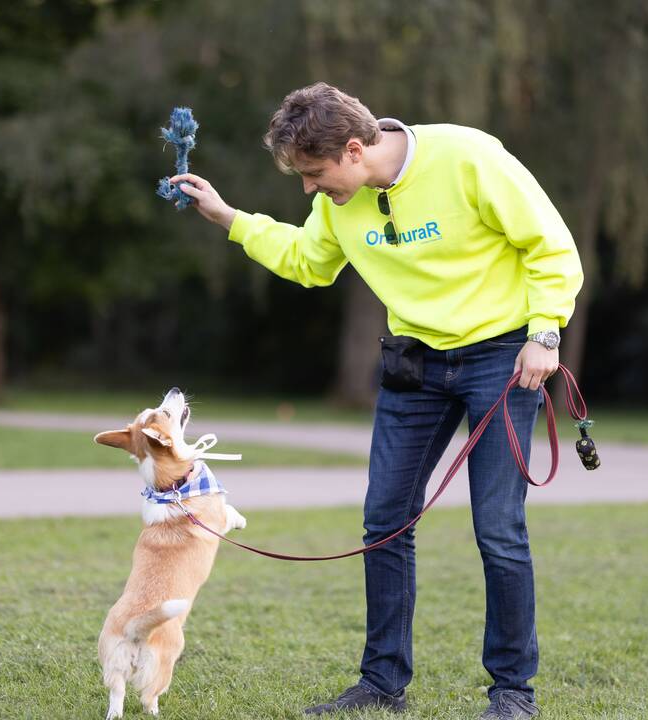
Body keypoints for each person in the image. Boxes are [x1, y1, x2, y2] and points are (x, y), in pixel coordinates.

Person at [171, 82, 583, 719]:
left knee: (498, 529)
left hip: (502, 357)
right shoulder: (344, 199)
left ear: (356, 149)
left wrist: (545, 332)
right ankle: (382, 682)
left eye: (314, 175)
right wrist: (229, 216)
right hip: (416, 362)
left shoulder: (468, 157)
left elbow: (551, 247)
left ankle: (511, 693)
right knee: (384, 522)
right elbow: (308, 261)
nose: (311, 190)